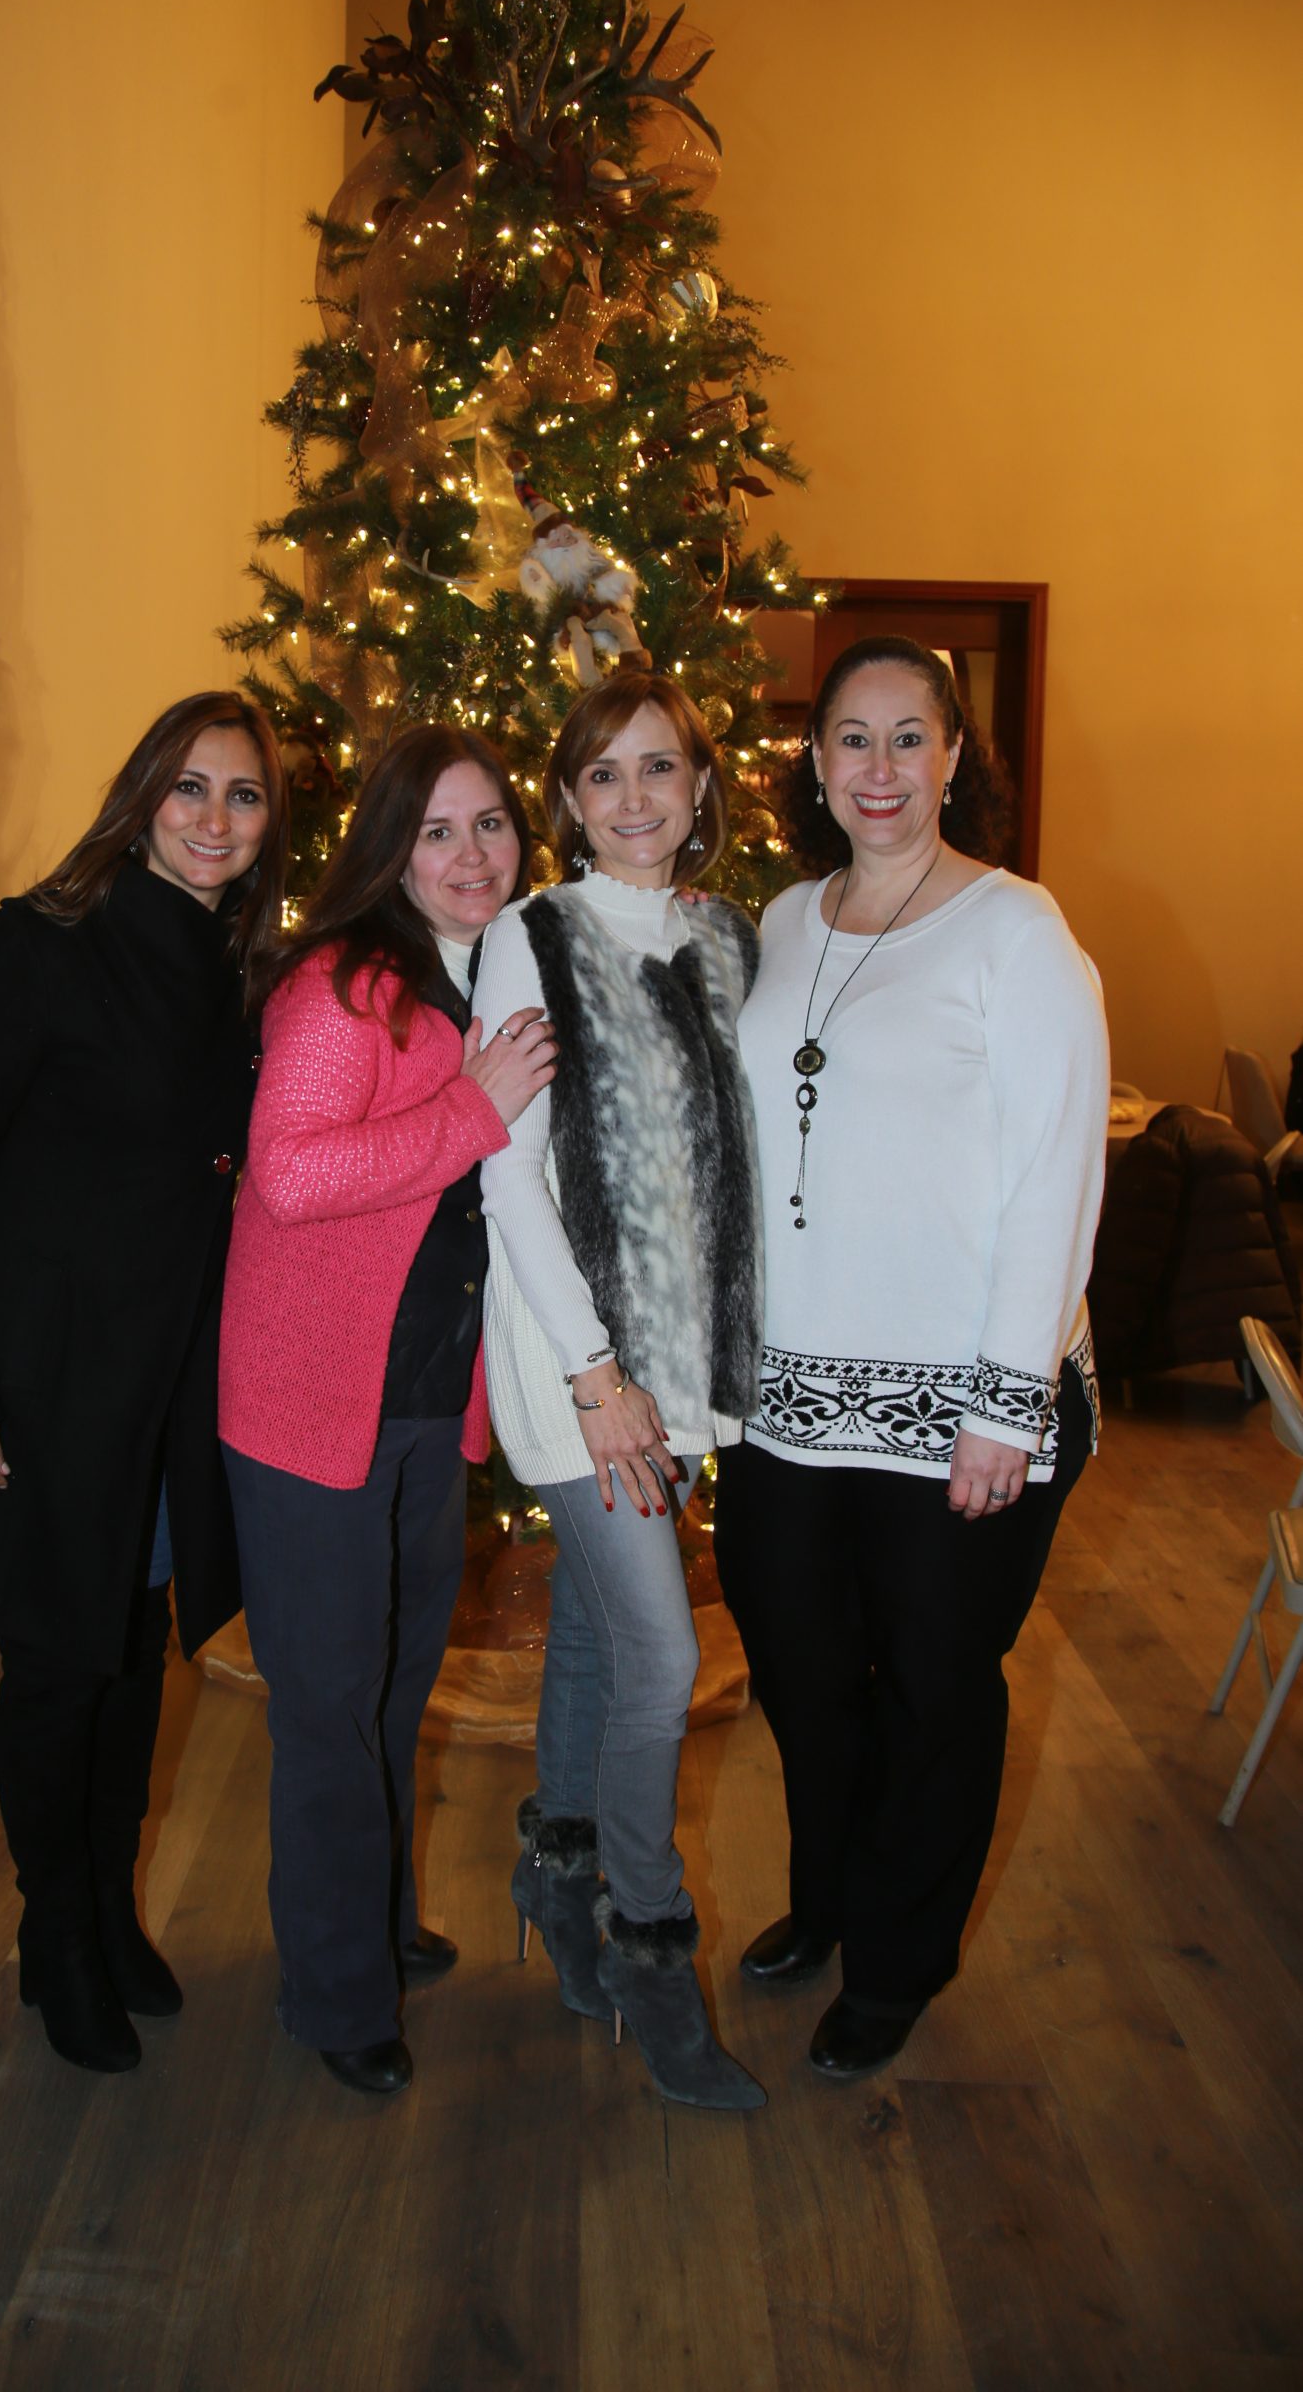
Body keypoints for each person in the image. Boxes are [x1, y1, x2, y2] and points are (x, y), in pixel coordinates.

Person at [0, 691, 288, 2075]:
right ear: (140, 799)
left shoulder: (241, 971)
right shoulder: (39, 943)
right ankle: (55, 1934)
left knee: (130, 1656)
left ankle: (109, 1906)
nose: (215, 817)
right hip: (44, 1387)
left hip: (164, 1393)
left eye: (243, 794)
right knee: (56, 1665)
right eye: (189, 788)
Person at [715, 634, 1108, 2078]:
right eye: (850, 738)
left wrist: (1006, 1402)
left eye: (907, 737)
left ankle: (895, 1962)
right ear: (814, 762)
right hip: (788, 1398)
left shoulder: (1017, 930)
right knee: (803, 1676)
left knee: (935, 1691)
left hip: (962, 1402)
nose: (877, 768)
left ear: (952, 758)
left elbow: (1058, 1175)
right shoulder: (782, 919)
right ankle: (829, 1896)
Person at [219, 724, 554, 2098]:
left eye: (491, 825)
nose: (472, 856)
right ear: (390, 850)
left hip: (418, 1406)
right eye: (437, 831)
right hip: (311, 1410)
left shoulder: (492, 978)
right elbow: (291, 1176)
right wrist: (474, 1108)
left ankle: (374, 1923)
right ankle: (336, 1993)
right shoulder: (340, 986)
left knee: (395, 1689)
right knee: (328, 1709)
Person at [472, 669, 767, 2113]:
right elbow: (503, 1172)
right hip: (573, 1361)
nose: (635, 797)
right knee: (658, 1660)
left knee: (596, 1636)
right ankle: (655, 1954)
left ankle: (557, 1869)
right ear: (569, 800)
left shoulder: (730, 939)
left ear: (700, 785)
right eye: (604, 773)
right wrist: (596, 1376)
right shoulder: (530, 937)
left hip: (686, 1360)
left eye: (660, 767)